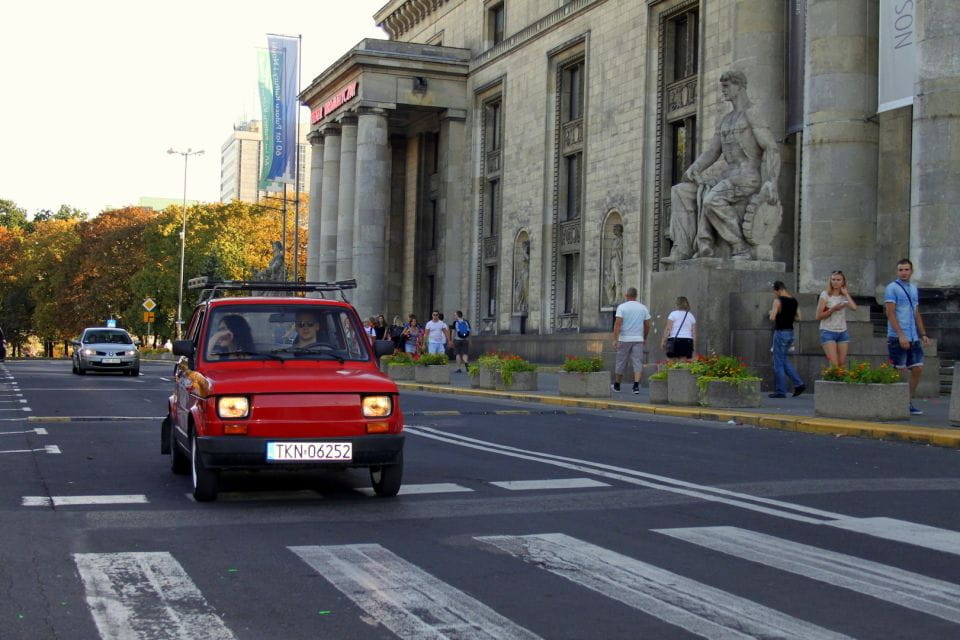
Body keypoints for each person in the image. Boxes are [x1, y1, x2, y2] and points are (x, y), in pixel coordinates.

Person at [662, 70, 780, 263]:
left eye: (726, 86)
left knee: (711, 200)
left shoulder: (752, 115)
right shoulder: (725, 120)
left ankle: (738, 246)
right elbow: (712, 152)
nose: (722, 90)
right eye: (722, 86)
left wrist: (772, 181)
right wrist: (695, 168)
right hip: (727, 177)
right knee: (680, 192)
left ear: (739, 86)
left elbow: (771, 148)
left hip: (747, 176)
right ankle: (682, 249)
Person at [884, 258, 930, 416]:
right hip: (898, 336)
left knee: (917, 368)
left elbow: (916, 312)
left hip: (913, 335)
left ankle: (907, 401)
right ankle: (892, 402)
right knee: (898, 370)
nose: (904, 272)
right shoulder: (892, 288)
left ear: (911, 271)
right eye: (901, 270)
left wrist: (923, 333)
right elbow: (890, 313)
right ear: (897, 272)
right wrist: (901, 335)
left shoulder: (913, 288)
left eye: (906, 270)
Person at [768, 281, 805, 398]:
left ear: (778, 289)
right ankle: (799, 384)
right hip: (790, 333)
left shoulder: (778, 301)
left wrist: (772, 312)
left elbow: (772, 317)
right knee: (783, 360)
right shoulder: (794, 301)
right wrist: (788, 315)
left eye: (775, 291)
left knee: (778, 362)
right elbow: (799, 317)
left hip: (780, 333)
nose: (775, 293)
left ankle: (780, 391)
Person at [612, 287, 651, 394]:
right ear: (636, 295)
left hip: (624, 338)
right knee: (637, 361)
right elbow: (647, 325)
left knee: (621, 361)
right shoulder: (643, 308)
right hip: (638, 338)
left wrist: (615, 339)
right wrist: (644, 337)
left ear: (626, 295)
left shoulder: (622, 307)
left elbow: (617, 324)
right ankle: (636, 386)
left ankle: (617, 385)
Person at [816, 270, 858, 368]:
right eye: (833, 279)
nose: (835, 282)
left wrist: (846, 294)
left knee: (841, 364)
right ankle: (830, 382)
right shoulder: (825, 294)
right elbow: (818, 316)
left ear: (843, 282)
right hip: (828, 331)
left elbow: (854, 308)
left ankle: (839, 383)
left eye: (838, 280)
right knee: (834, 365)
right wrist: (833, 309)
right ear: (830, 281)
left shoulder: (843, 296)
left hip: (842, 331)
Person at [660, 296, 697, 361]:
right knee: (683, 365)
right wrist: (694, 347)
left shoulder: (673, 314)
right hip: (687, 342)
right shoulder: (691, 316)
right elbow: (694, 333)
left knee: (671, 363)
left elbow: (668, 329)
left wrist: (663, 341)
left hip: (674, 341)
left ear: (677, 304)